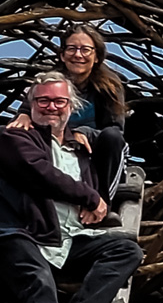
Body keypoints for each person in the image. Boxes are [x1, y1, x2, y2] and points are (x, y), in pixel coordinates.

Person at [0, 71, 143, 303]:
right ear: (30, 105)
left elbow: (100, 166)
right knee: (38, 280)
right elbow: (42, 174)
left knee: (126, 251)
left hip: (65, 239)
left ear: (72, 106)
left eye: (59, 101)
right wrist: (93, 198)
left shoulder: (80, 147)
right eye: (43, 100)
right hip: (21, 234)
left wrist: (96, 203)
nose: (51, 107)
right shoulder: (14, 137)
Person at [9, 24, 129, 207]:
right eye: (72, 48)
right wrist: (24, 115)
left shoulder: (109, 87)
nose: (78, 55)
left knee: (112, 138)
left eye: (86, 49)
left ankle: (103, 203)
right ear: (62, 54)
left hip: (93, 154)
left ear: (97, 56)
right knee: (4, 134)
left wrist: (84, 133)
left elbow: (115, 130)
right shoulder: (49, 82)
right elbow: (27, 110)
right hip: (53, 150)